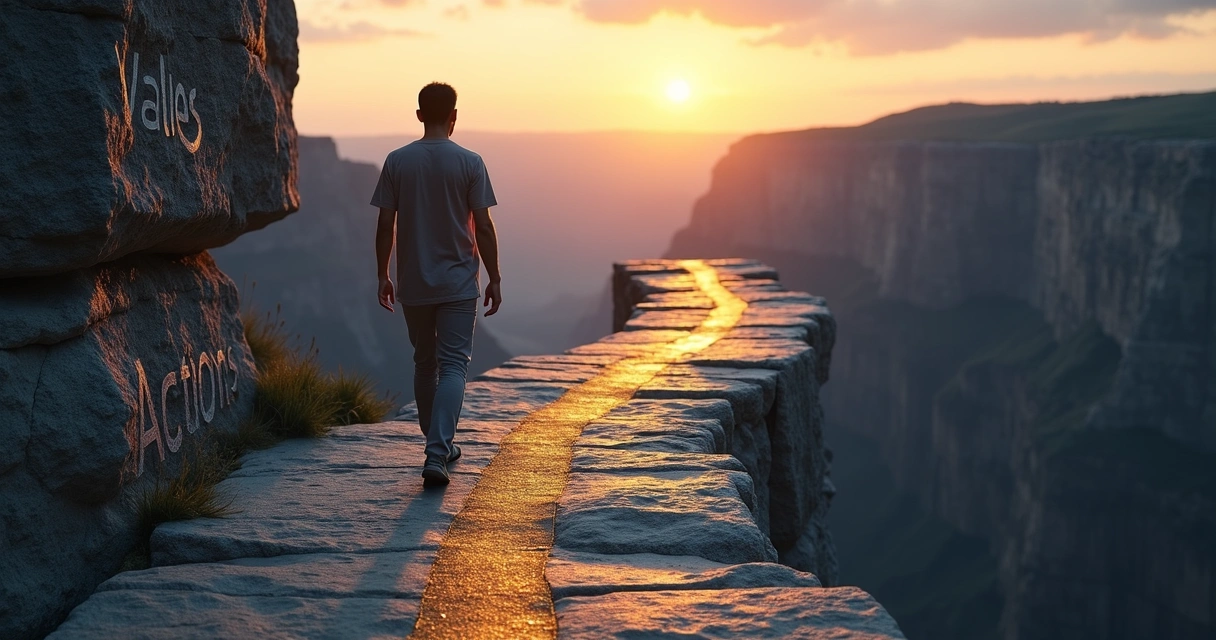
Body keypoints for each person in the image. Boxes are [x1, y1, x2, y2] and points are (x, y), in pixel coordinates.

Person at [371, 82, 501, 486]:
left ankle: (438, 447)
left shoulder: (397, 161)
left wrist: (383, 274)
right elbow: (483, 224)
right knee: (454, 367)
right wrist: (494, 276)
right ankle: (437, 451)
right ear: (455, 116)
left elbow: (385, 225)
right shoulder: (470, 162)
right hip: (459, 282)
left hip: (415, 283)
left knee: (424, 363)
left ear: (419, 115)